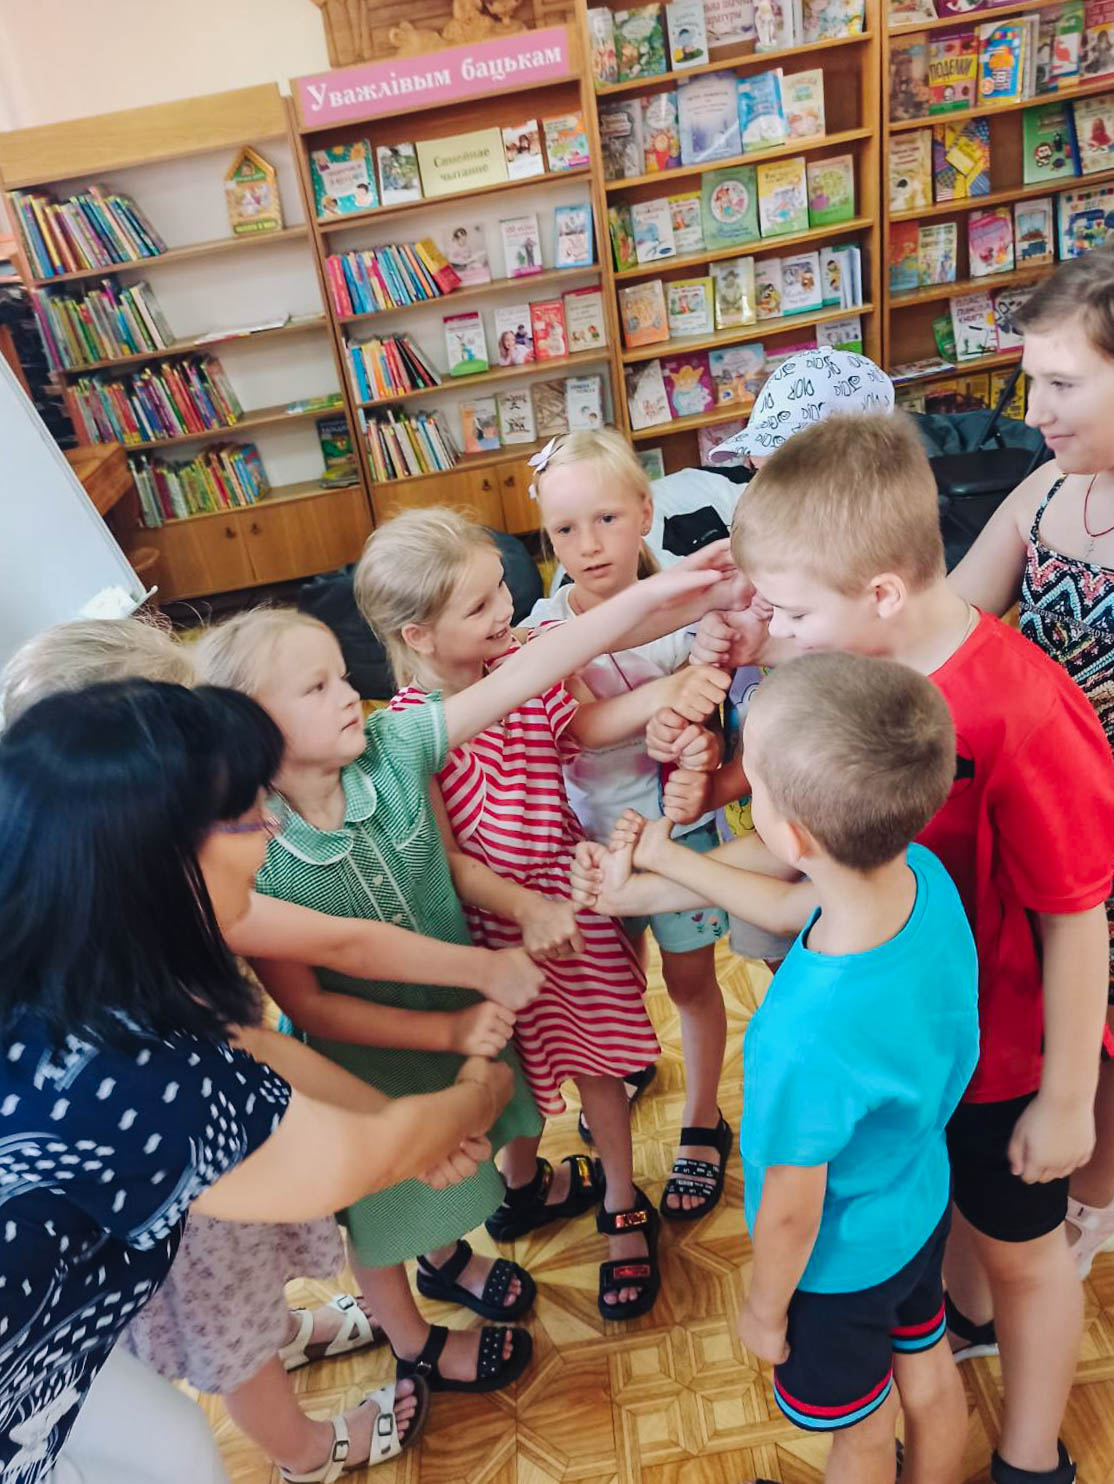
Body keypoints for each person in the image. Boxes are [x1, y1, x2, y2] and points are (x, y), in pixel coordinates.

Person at [582, 413, 1114, 1484]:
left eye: (789, 610)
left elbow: (1076, 913)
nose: (773, 630)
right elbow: (805, 853)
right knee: (948, 1225)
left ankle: (1031, 1458)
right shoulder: (851, 674)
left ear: (877, 592)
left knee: (1025, 1255)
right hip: (921, 1052)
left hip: (1001, 1052)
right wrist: (667, 860)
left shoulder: (1017, 707)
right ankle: (960, 1330)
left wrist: (1067, 1096)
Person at [0, 615, 545, 1483]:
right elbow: (350, 1158)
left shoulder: (82, 932)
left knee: (174, 1445)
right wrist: (471, 1098)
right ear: (159, 848)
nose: (267, 827)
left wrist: (413, 1122)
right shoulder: (148, 1074)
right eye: (244, 811)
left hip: (58, 1336)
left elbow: (257, 1043)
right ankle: (307, 1454)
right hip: (21, 1375)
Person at [195, 544, 740, 1384]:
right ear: (251, 726)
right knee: (392, 1197)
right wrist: (466, 1000)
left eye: (342, 675)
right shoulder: (258, 846)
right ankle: (421, 1325)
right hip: (381, 1050)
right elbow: (320, 994)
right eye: (317, 687)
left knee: (487, 1130)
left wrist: (666, 590)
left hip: (472, 1008)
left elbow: (555, 655)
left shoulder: (392, 746)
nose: (348, 693)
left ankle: (486, 1240)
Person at [580, 651, 979, 1484]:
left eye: (751, 781)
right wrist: (662, 860)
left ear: (791, 836)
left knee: (862, 1434)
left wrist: (765, 1309)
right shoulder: (921, 876)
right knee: (930, 1376)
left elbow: (793, 1214)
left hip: (834, 1271)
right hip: (916, 1209)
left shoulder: (802, 1036)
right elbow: (795, 900)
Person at [362, 507, 725, 1316]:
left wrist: (665, 690)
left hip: (569, 906)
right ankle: (522, 1183)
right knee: (514, 1077)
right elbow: (450, 860)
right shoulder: (407, 734)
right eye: (481, 604)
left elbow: (584, 726)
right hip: (494, 933)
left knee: (599, 1062)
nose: (507, 611)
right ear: (419, 635)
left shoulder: (525, 658)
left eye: (503, 589)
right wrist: (524, 908)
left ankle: (621, 1200)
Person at [949, 245, 1114, 1277]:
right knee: (1065, 1013)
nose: (1035, 412)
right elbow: (947, 620)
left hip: (1098, 828)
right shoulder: (1047, 489)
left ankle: (1089, 1213)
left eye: (1062, 384)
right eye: (1030, 383)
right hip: (1052, 819)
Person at [524, 429, 735, 1221]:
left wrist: (696, 742)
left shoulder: (687, 612)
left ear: (645, 512)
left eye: (607, 519)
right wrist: (664, 697)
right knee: (618, 979)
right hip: (583, 843)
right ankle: (632, 1058)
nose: (588, 545)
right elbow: (577, 726)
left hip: (678, 839)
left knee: (690, 982)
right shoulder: (546, 625)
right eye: (565, 529)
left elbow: (709, 727)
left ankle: (703, 1118)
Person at [659, 350, 897, 968]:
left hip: (818, 833)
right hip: (753, 820)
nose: (761, 493)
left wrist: (716, 787)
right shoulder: (765, 547)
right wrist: (707, 675)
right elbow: (735, 684)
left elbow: (807, 719)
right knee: (775, 960)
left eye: (780, 477)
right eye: (756, 473)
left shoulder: (861, 599)